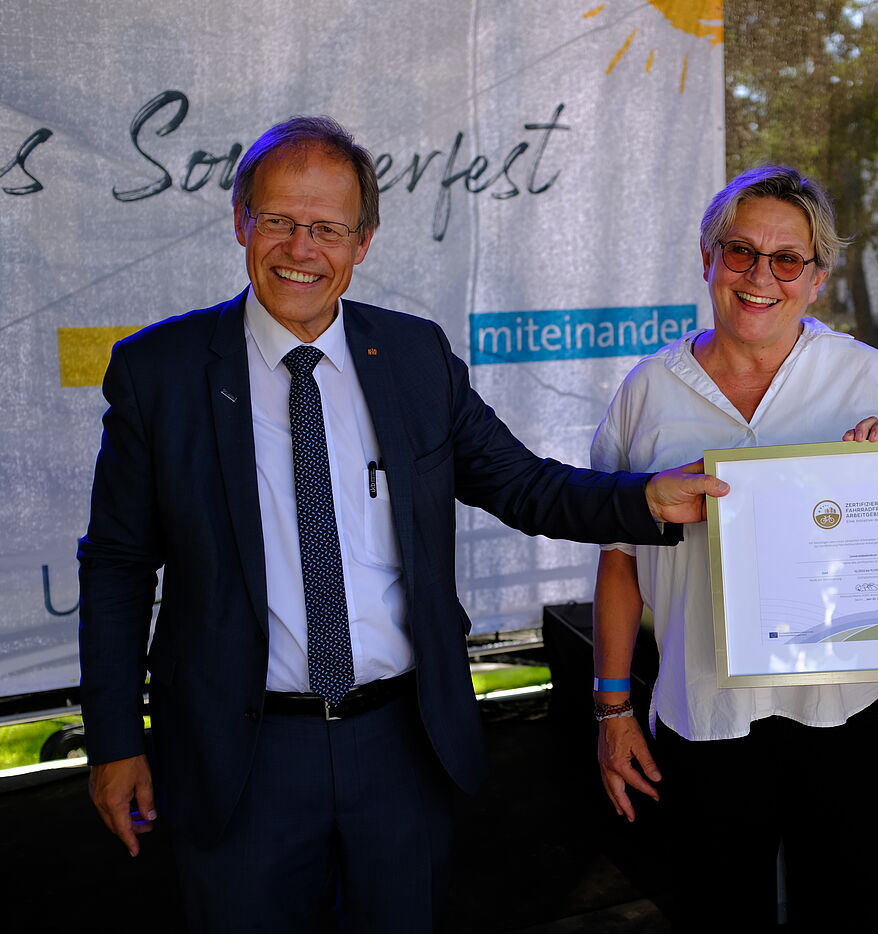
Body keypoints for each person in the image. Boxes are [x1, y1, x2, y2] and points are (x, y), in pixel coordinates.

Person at [76, 115, 724, 933]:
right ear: (242, 221)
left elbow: (520, 483)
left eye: (327, 229)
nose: (300, 248)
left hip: (402, 745)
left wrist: (642, 501)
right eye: (278, 220)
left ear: (363, 242)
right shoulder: (159, 371)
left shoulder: (414, 356)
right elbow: (118, 564)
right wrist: (112, 738)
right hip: (240, 756)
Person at [589, 164, 878, 932]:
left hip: (846, 714)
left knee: (852, 914)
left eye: (786, 259)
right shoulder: (648, 393)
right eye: (739, 252)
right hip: (705, 712)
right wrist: (611, 709)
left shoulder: (871, 381)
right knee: (717, 915)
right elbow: (617, 560)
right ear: (707, 259)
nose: (759, 277)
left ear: (818, 276)